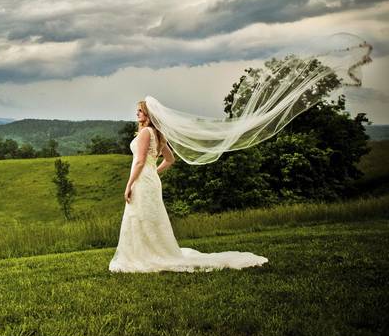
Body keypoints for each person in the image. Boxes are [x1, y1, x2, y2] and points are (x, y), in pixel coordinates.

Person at [108, 99, 269, 273]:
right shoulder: (157, 134)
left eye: (140, 110)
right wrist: (153, 172)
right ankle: (150, 251)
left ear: (148, 114)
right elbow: (170, 160)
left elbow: (139, 161)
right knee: (148, 215)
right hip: (150, 179)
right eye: (137, 110)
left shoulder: (146, 132)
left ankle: (143, 255)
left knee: (141, 214)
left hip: (142, 180)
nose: (137, 113)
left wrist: (129, 184)